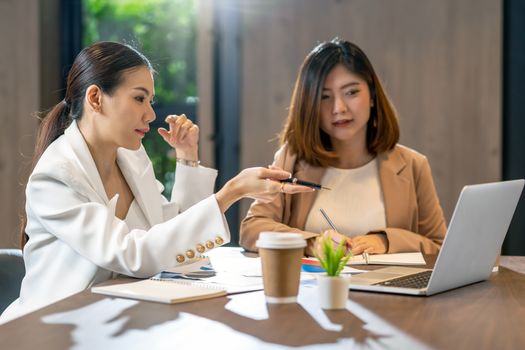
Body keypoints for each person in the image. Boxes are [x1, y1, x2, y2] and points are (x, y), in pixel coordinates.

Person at [0, 41, 312, 323]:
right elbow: (132, 253)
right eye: (139, 99)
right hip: (51, 327)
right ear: (96, 98)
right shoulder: (55, 176)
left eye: (150, 101)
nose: (150, 114)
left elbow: (173, 238)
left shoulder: (131, 159)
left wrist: (187, 158)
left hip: (115, 319)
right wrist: (231, 192)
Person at [240, 39, 446, 257]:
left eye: (351, 92)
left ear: (373, 96)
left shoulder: (413, 165)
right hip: (312, 289)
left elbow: (439, 246)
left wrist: (385, 241)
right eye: (324, 97)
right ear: (310, 105)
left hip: (389, 290)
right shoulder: (291, 158)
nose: (339, 108)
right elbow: (252, 229)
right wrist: (312, 243)